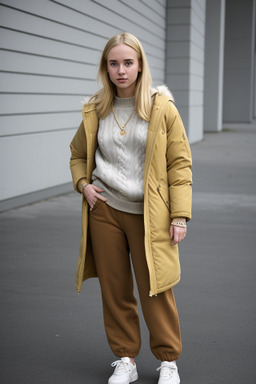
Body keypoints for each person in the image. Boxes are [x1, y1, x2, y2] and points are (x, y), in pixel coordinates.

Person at [70, 32, 192, 384]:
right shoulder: (95, 109)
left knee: (157, 287)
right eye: (113, 63)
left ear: (140, 66)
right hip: (105, 211)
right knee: (115, 289)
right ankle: (126, 358)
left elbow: (179, 165)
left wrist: (179, 215)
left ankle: (168, 361)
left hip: (149, 213)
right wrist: (84, 186)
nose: (121, 70)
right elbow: (78, 155)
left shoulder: (161, 107)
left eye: (128, 62)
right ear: (105, 68)